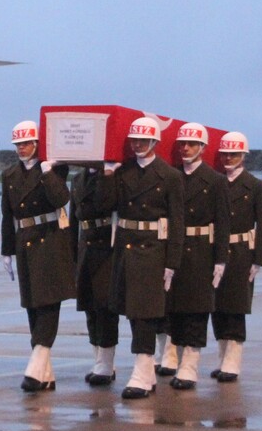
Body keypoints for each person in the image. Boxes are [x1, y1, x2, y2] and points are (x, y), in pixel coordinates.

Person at [97, 116, 184, 400]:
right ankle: (145, 371)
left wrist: (172, 261)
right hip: (127, 247)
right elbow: (107, 205)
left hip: (154, 249)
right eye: (134, 140)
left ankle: (142, 370)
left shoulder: (169, 176)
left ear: (154, 143)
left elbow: (177, 222)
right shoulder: (124, 172)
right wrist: (108, 176)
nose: (137, 145)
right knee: (132, 312)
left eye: (143, 141)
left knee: (145, 314)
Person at [0, 120, 77, 392]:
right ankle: (45, 371)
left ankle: (37, 361)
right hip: (24, 240)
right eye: (18, 145)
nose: (22, 149)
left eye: (27, 144)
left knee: (48, 300)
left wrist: (47, 173)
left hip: (50, 238)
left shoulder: (55, 168)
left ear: (38, 144)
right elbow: (7, 214)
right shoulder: (10, 175)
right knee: (32, 303)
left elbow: (60, 199)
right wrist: (7, 250)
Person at [164, 123, 230, 389]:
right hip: (174, 247)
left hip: (201, 250)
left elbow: (223, 223)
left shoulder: (215, 181)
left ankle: (190, 365)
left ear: (202, 148)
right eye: (182, 144)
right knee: (175, 311)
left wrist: (221, 259)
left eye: (191, 144)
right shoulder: (172, 176)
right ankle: (179, 361)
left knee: (196, 310)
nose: (186, 149)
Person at [211, 130, 262, 382]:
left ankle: (233, 362)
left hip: (241, 252)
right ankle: (223, 357)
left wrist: (259, 258)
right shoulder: (215, 183)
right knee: (217, 306)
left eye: (233, 154)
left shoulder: (256, 186)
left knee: (235, 306)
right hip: (217, 250)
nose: (228, 158)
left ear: (243, 156)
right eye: (225, 154)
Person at [72, 165, 117, 385]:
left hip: (106, 245)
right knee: (89, 306)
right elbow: (74, 219)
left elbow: (104, 204)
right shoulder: (78, 178)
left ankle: (106, 363)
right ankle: (97, 358)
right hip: (85, 244)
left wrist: (106, 175)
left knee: (105, 306)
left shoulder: (110, 175)